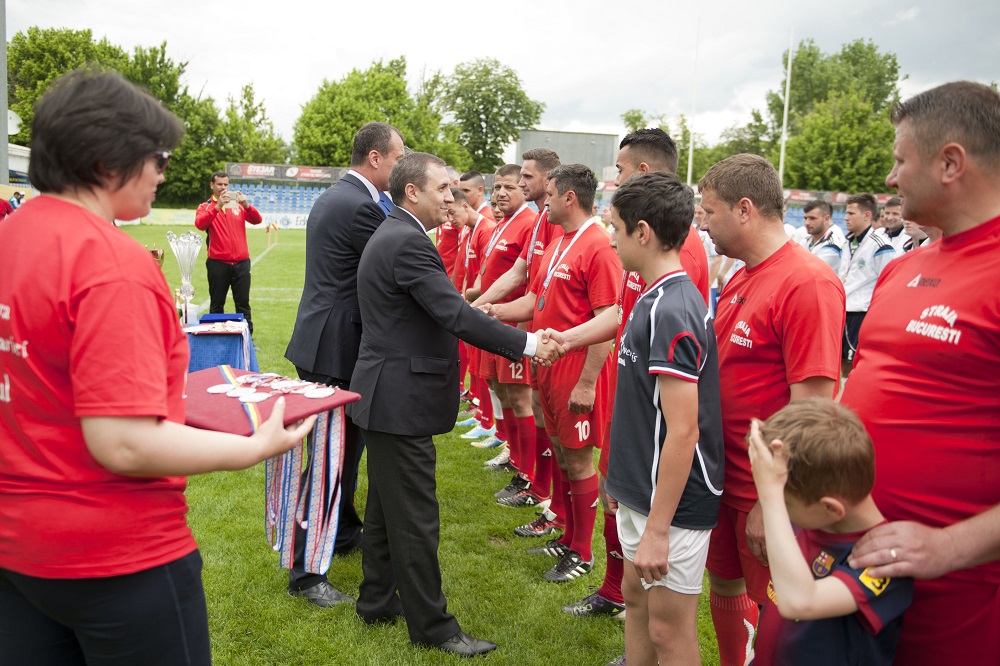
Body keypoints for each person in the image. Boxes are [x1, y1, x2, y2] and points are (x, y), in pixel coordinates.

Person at [0, 69, 314, 666]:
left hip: (17, 548)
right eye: (158, 156)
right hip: (113, 552)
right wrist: (254, 446)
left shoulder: (11, 237)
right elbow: (122, 443)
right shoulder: (109, 261)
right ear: (108, 159)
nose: (163, 172)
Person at [347, 152, 561, 656]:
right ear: (412, 193)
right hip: (398, 399)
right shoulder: (406, 242)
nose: (454, 197)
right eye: (442, 188)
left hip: (387, 395)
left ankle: (377, 599)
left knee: (384, 508)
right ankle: (434, 627)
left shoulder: (399, 235)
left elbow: (449, 310)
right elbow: (456, 316)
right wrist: (530, 344)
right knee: (417, 517)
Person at [843, 81, 1000, 665]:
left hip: (955, 603)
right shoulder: (901, 270)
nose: (889, 178)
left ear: (950, 163)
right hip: (857, 575)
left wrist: (947, 547)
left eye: (899, 160)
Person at [698, 154, 845, 666]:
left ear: (744, 210)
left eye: (709, 212)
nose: (702, 223)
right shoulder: (741, 276)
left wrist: (772, 502)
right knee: (723, 581)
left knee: (776, 608)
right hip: (723, 477)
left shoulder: (807, 283)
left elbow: (814, 407)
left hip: (763, 491)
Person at [603, 172, 724, 666]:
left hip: (673, 504)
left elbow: (684, 429)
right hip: (641, 490)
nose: (610, 237)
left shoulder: (672, 308)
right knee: (635, 599)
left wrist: (657, 528)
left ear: (643, 233)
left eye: (615, 227)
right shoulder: (651, 296)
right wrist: (621, 478)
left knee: (668, 630)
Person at [284, 122, 405, 607]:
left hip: (328, 341)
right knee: (332, 461)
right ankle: (306, 572)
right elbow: (394, 265)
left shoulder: (344, 196)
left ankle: (343, 530)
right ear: (375, 159)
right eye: (399, 158)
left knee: (342, 452)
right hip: (334, 348)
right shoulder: (358, 206)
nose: (402, 167)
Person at [485, 164, 622, 584]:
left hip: (575, 370)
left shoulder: (598, 246)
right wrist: (492, 313)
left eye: (551, 194)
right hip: (547, 365)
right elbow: (536, 302)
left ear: (569, 198)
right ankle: (566, 532)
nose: (543, 201)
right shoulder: (562, 240)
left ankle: (582, 553)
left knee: (579, 460)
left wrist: (586, 382)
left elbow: (609, 320)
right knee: (561, 452)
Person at [747, 399, 912, 665]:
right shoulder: (810, 517)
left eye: (785, 504)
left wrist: (771, 497)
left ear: (831, 509)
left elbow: (800, 602)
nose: (780, 512)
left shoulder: (884, 559)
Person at [472, 148, 563, 513]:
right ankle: (530, 475)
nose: (519, 186)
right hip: (511, 321)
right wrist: (477, 308)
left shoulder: (546, 220)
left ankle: (537, 483)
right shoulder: (537, 220)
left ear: (548, 178)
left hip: (536, 331)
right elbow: (517, 273)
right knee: (524, 402)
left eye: (525, 179)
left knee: (537, 408)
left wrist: (514, 320)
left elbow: (533, 285)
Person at [194, 172, 263, 334]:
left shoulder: (237, 205)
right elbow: (200, 224)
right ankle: (217, 340)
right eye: (219, 184)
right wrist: (217, 207)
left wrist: (247, 205)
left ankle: (248, 341)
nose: (223, 188)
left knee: (243, 304)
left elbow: (257, 220)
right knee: (217, 304)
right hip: (218, 263)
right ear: (212, 185)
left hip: (241, 263)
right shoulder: (206, 206)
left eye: (226, 184)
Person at [839, 192, 896, 380]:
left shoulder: (881, 246)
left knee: (854, 363)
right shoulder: (848, 241)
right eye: (846, 213)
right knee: (841, 362)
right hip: (842, 310)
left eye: (851, 213)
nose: (846, 218)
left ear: (867, 216)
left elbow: (888, 282)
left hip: (860, 313)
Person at [798, 199, 846, 273]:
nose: (807, 222)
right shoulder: (804, 240)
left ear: (826, 219)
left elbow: (808, 271)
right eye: (805, 218)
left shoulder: (833, 245)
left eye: (812, 218)